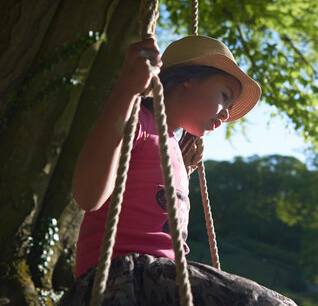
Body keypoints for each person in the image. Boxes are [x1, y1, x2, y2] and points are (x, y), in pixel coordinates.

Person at [59, 35, 296, 305]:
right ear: (190, 78)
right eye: (224, 96)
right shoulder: (138, 122)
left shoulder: (171, 147)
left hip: (156, 281)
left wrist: (184, 168)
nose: (226, 114)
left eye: (230, 107)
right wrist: (127, 89)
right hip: (121, 277)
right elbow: (89, 196)